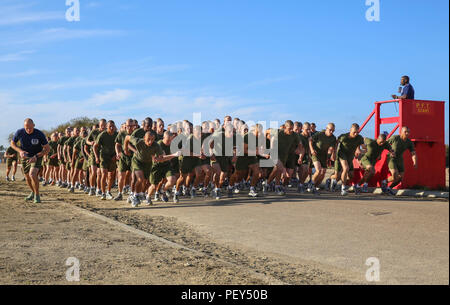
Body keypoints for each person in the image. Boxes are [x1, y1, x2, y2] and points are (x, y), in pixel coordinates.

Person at [11, 118, 50, 203]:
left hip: (37, 156)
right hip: (25, 157)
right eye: (26, 128)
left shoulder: (39, 134)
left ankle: (37, 195)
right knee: (27, 178)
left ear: (34, 125)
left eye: (30, 128)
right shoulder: (19, 132)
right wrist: (20, 151)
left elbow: (47, 149)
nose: (28, 130)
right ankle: (32, 192)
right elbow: (12, 143)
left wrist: (36, 156)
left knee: (32, 174)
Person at [328, 123, 365, 196]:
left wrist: (360, 150)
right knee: (345, 169)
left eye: (357, 132)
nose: (355, 134)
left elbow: (364, 148)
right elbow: (336, 143)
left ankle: (332, 181)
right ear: (350, 130)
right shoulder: (344, 137)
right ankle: (343, 188)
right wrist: (333, 153)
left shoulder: (359, 138)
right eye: (354, 132)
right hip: (342, 155)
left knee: (351, 175)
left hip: (350, 157)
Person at [384, 126, 417, 194]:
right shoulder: (395, 138)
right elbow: (385, 144)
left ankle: (389, 188)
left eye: (408, 132)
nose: (407, 133)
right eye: (405, 132)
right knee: (395, 175)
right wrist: (390, 151)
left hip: (399, 159)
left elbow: (413, 153)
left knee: (400, 177)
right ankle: (384, 182)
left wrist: (415, 162)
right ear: (401, 132)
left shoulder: (409, 142)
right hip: (391, 158)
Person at [309, 123, 337, 194]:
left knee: (323, 172)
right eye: (330, 130)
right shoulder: (319, 134)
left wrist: (332, 155)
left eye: (333, 131)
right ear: (326, 128)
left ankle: (315, 186)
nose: (331, 132)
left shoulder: (333, 138)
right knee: (318, 170)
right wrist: (312, 150)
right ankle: (311, 184)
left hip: (324, 155)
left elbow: (332, 148)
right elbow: (310, 140)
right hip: (315, 154)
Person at [93, 120, 118, 200]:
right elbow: (95, 146)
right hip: (103, 156)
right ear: (107, 127)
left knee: (111, 176)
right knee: (104, 174)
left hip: (113, 157)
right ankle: (103, 192)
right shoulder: (102, 135)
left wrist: (117, 155)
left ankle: (108, 191)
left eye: (113, 126)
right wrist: (96, 157)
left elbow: (120, 145)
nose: (111, 128)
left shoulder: (117, 135)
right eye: (110, 126)